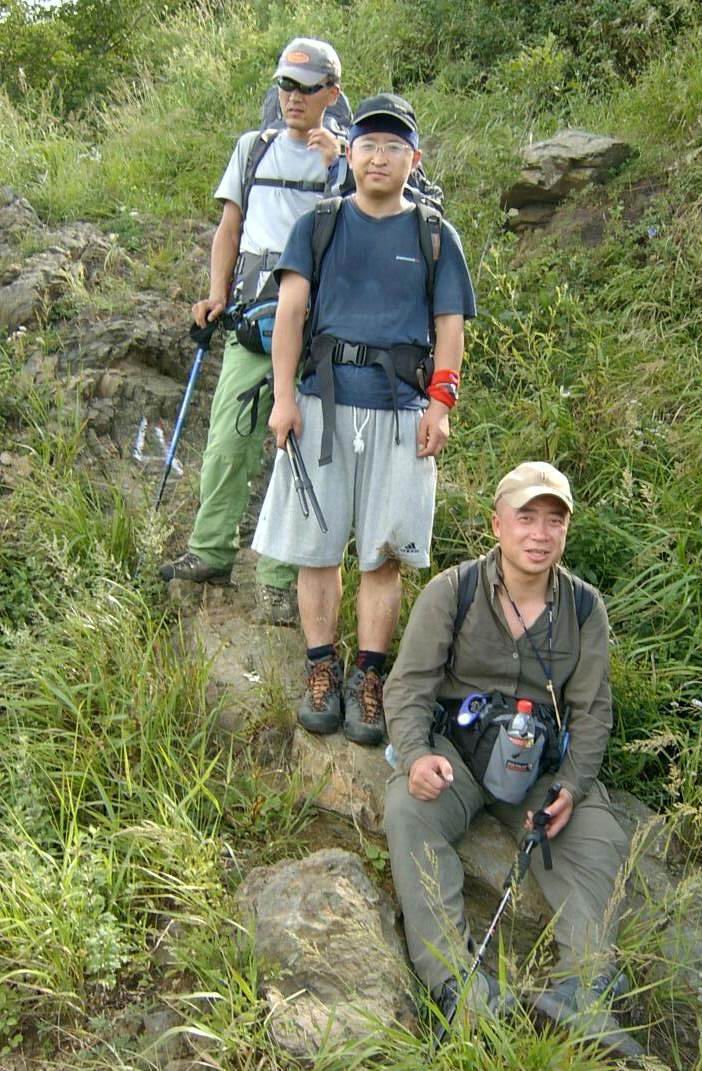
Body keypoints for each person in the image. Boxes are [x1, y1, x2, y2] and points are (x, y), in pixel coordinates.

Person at [382, 461, 644, 1058]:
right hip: (459, 755)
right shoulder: (453, 591)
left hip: (538, 766)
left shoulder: (584, 608)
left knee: (600, 834)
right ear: (497, 524)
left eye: (554, 521)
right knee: (407, 811)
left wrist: (571, 788)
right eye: (526, 518)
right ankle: (459, 988)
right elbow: (409, 686)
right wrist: (417, 756)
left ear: (566, 531)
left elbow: (592, 713)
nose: (540, 534)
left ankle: (584, 992)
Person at [252, 93, 476, 742]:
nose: (379, 157)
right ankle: (321, 667)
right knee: (315, 548)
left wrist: (441, 405)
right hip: (321, 403)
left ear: (414, 158)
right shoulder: (319, 225)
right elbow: (291, 314)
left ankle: (369, 677)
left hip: (402, 409)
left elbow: (450, 327)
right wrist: (283, 398)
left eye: (393, 146)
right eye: (369, 145)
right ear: (348, 153)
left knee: (385, 553)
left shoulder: (434, 235)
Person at [160, 37, 343, 625]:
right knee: (226, 444)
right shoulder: (252, 148)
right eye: (285, 85)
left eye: (306, 88)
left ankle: (277, 581)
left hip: (315, 331)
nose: (293, 97)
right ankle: (211, 552)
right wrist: (216, 294)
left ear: (331, 94)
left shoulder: (347, 159)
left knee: (297, 456)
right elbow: (229, 228)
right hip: (250, 321)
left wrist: (341, 163)